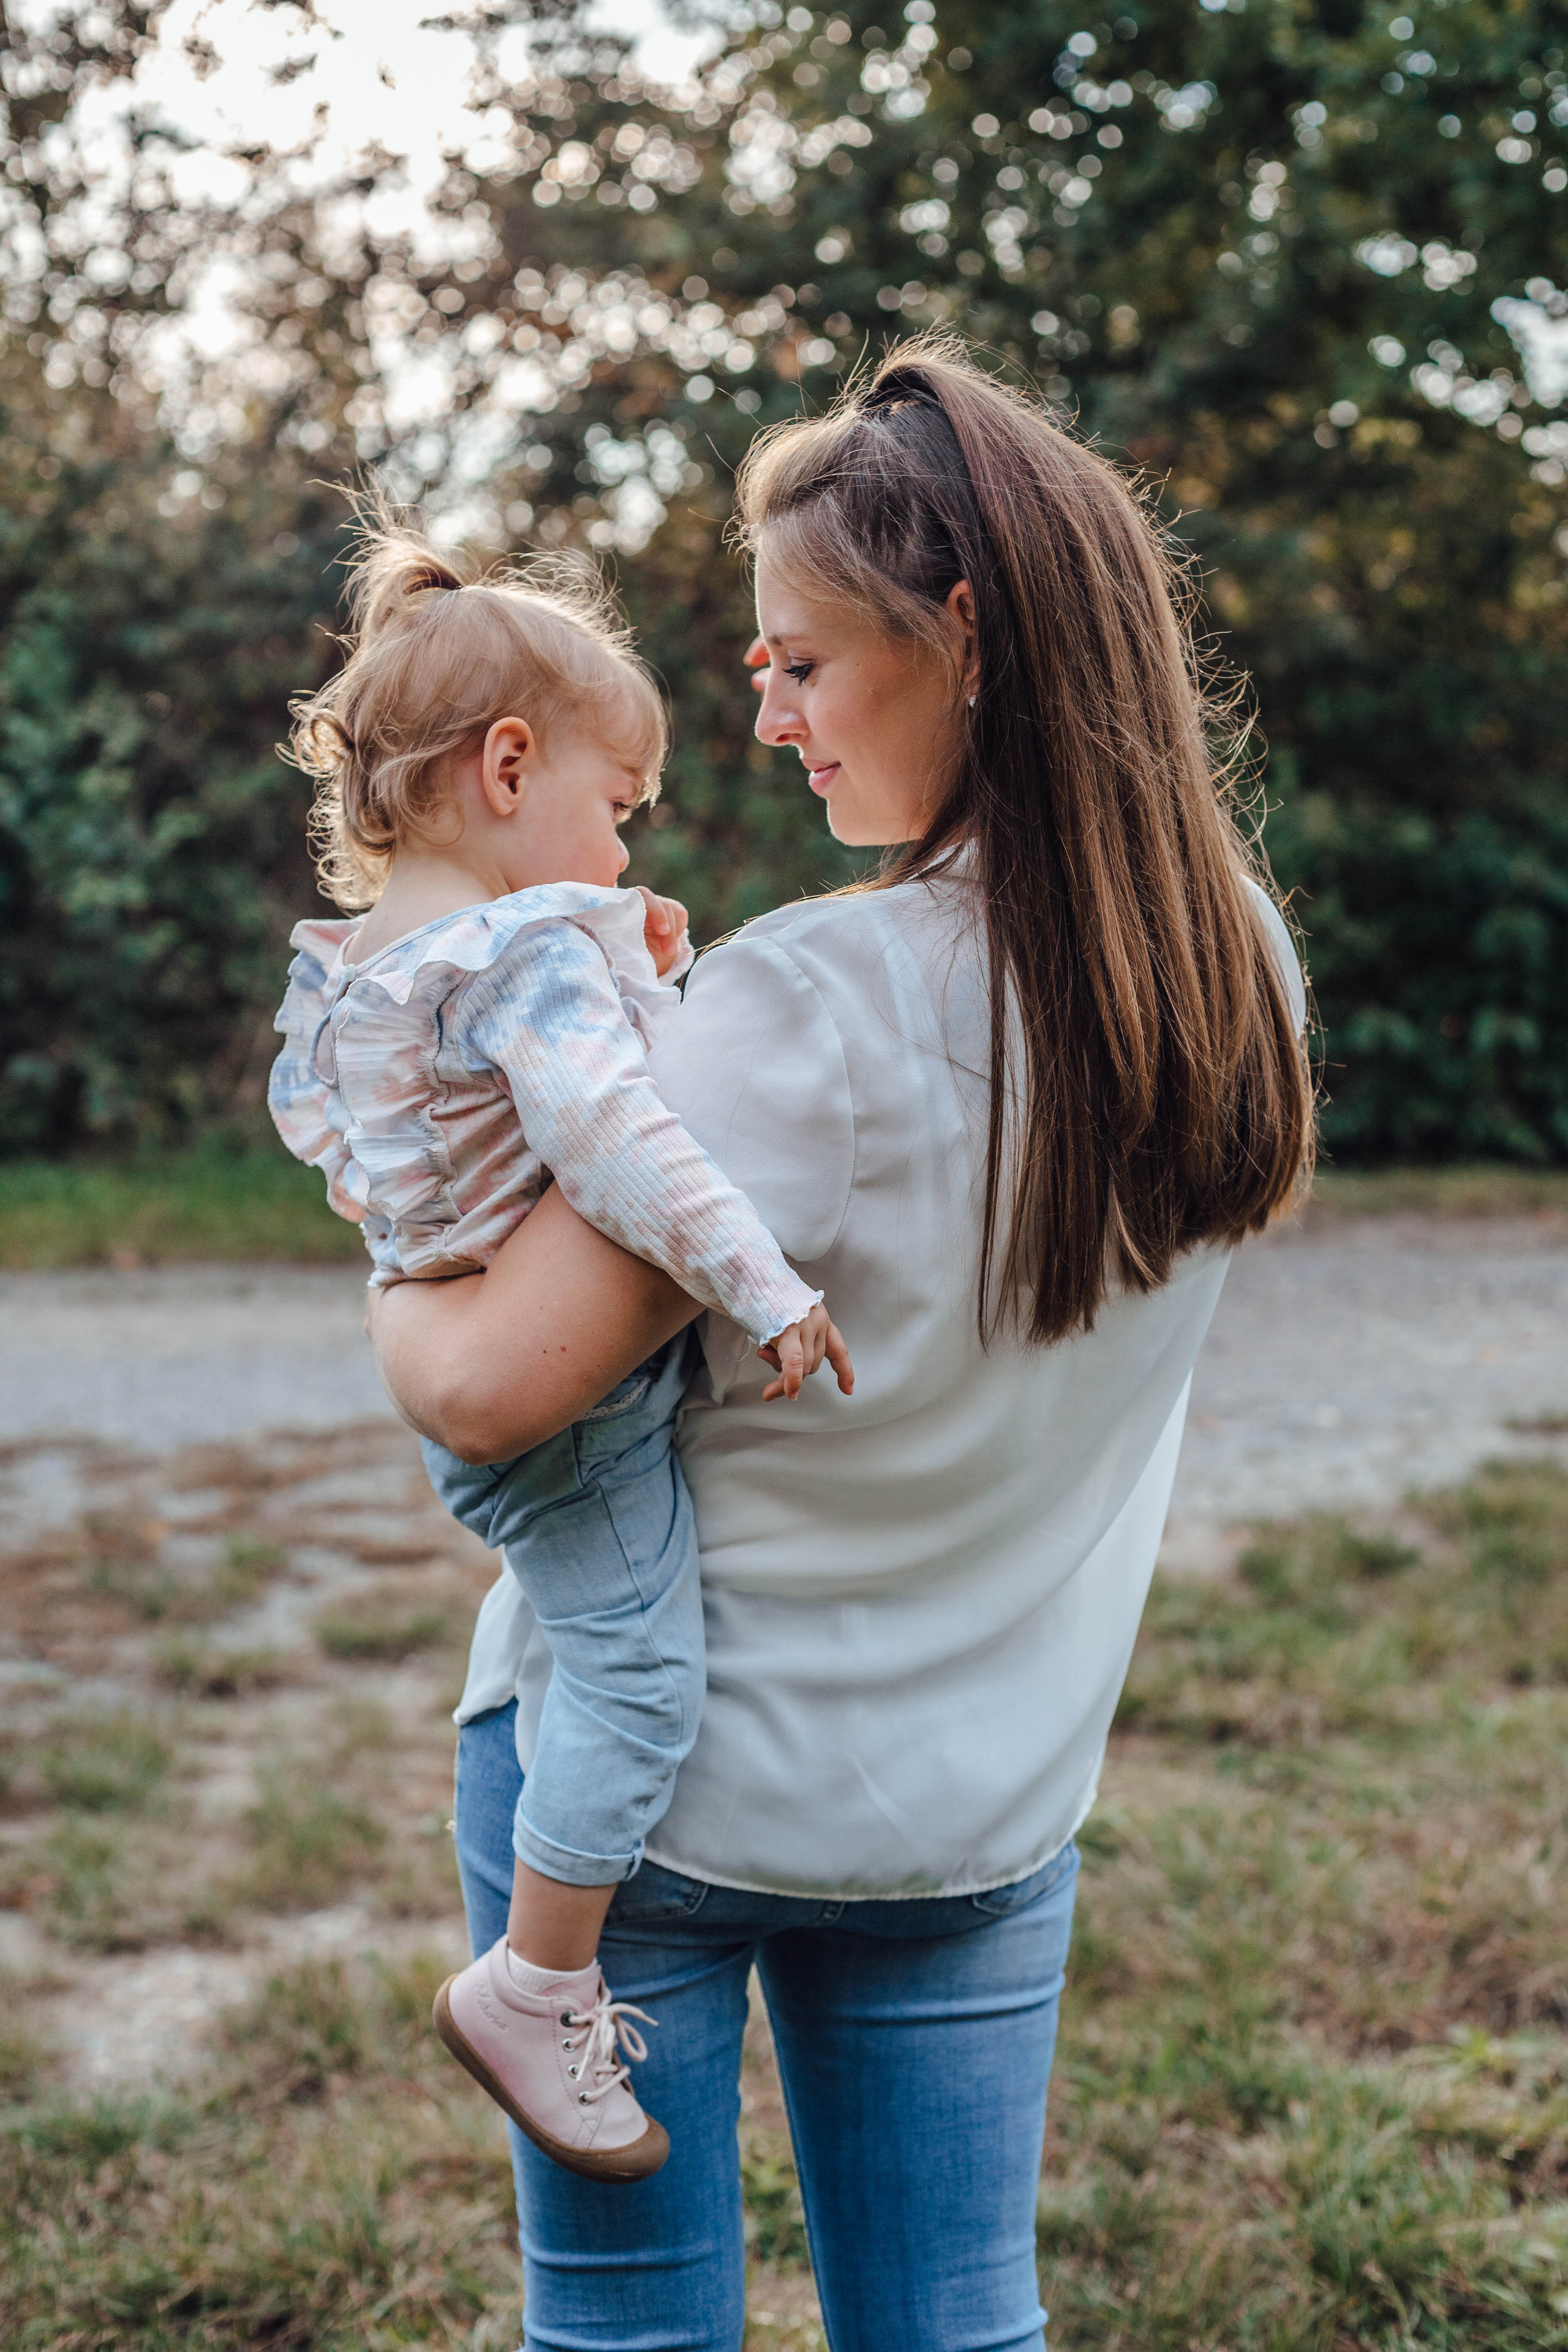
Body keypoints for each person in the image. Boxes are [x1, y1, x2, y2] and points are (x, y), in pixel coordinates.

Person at [369, 337, 1313, 2352]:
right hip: (982, 1791)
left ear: (960, 636)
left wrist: (390, 1232)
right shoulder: (1243, 965)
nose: (768, 712)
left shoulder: (805, 1003)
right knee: (962, 2319)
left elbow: (480, 1386)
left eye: (802, 660)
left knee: (628, 2327)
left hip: (652, 1807)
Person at [266, 513, 851, 2186]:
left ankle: (542, 1968)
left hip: (478, 1375)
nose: (622, 852)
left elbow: (424, 1154)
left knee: (609, 1642)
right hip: (569, 1419)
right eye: (616, 812)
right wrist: (763, 1286)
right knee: (640, 1672)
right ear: (507, 766)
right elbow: (620, 1147)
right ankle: (538, 1981)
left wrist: (626, 971)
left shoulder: (375, 970)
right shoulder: (522, 958)